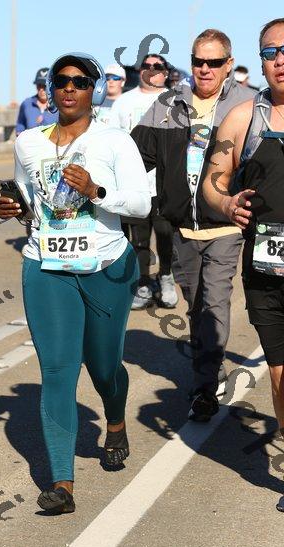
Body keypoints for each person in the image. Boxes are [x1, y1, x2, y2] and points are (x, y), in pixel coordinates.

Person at [0, 52, 151, 514]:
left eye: (80, 82)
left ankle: (115, 421)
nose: (69, 88)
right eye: (61, 80)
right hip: (46, 266)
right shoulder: (28, 142)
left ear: (94, 90)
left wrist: (95, 191)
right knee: (58, 371)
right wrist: (13, 208)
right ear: (51, 88)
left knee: (104, 368)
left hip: (106, 266)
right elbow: (29, 202)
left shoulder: (115, 140)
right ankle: (62, 483)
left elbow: (141, 205)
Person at [132, 29, 254, 421]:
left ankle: (203, 390)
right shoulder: (168, 104)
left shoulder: (248, 104)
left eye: (214, 62)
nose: (205, 69)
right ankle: (211, 368)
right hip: (182, 227)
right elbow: (133, 157)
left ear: (228, 65)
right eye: (198, 61)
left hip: (225, 225)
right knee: (196, 305)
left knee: (214, 302)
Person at [203, 18, 284, 511]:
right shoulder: (242, 119)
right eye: (271, 52)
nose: (281, 60)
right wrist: (226, 203)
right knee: (280, 375)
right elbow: (213, 182)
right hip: (267, 269)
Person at [110, 54, 178, 310]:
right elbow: (112, 140)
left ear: (165, 72)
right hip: (133, 184)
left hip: (164, 184)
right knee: (138, 239)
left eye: (157, 66)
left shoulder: (175, 100)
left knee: (165, 235)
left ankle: (166, 277)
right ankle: (143, 283)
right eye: (146, 66)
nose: (151, 70)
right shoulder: (124, 102)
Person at [15, 68, 58, 134]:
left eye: (44, 86)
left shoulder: (59, 106)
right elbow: (20, 125)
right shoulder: (26, 104)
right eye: (39, 86)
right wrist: (20, 134)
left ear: (51, 86)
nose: (41, 89)